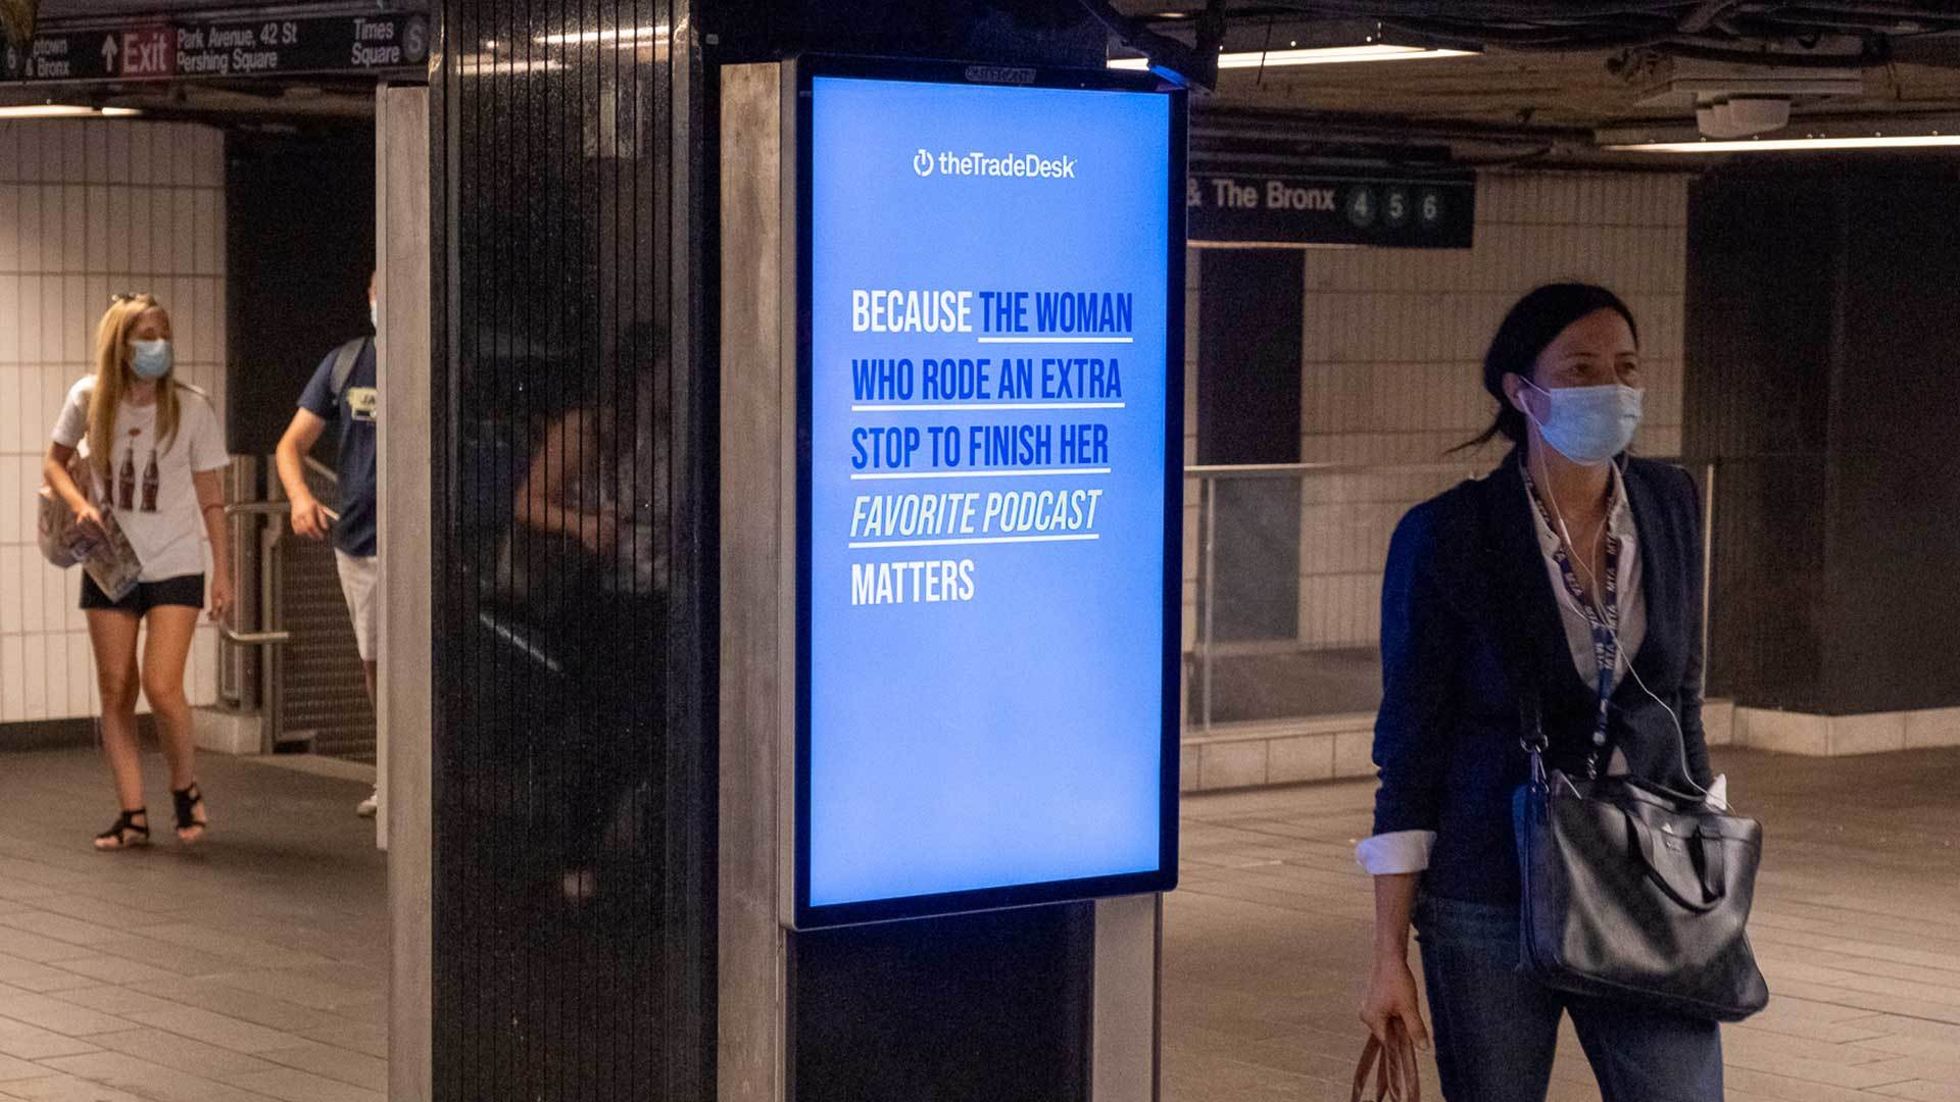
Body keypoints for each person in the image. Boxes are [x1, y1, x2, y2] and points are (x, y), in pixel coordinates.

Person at [1356, 283, 1730, 1101]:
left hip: (1646, 878)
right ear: (1519, 391)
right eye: (1583, 368)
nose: (1613, 388)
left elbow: (1682, 693)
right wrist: (1388, 954)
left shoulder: (1670, 504)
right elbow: (1410, 749)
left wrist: (1705, 852)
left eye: (1627, 368)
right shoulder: (1448, 535)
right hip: (1489, 893)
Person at [43, 293, 231, 850]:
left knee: (161, 685)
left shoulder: (192, 407)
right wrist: (78, 502)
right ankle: (132, 814)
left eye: (163, 335)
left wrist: (224, 571)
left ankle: (184, 787)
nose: (158, 347)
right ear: (120, 345)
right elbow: (53, 461)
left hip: (175, 561)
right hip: (109, 561)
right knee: (116, 687)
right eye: (146, 336)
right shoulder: (89, 397)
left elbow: (211, 494)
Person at [276, 274, 381, 817]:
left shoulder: (433, 352)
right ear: (368, 298)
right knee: (376, 658)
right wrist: (299, 499)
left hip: (422, 544)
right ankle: (393, 771)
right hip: (361, 539)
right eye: (378, 292)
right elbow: (291, 444)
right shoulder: (347, 362)